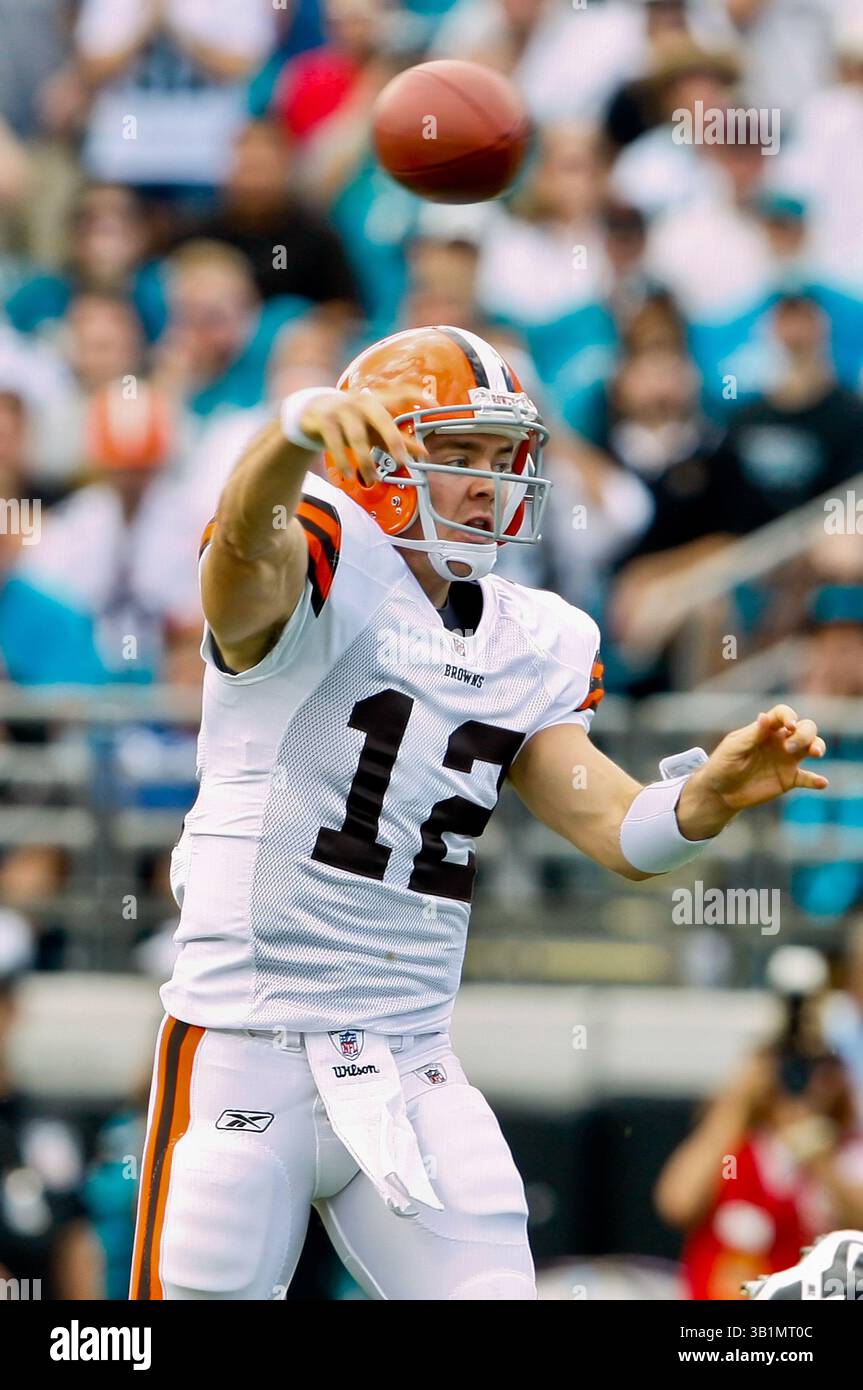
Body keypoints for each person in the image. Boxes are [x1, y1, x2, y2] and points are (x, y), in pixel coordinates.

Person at [130, 324, 830, 1301]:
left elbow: (616, 828)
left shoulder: (528, 637)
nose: (485, 485)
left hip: (409, 1062)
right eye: (455, 455)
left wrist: (702, 798)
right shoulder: (318, 558)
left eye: (500, 459)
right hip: (245, 1047)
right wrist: (287, 440)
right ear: (369, 461)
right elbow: (242, 564)